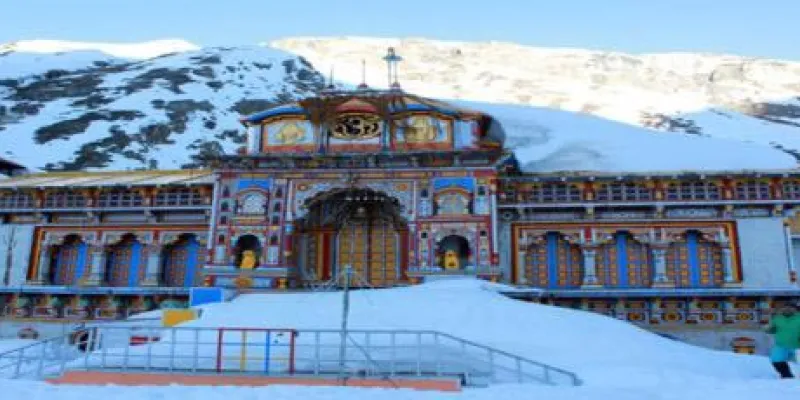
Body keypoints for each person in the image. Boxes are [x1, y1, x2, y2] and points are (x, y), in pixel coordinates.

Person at [765, 303, 800, 378]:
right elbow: (772, 330)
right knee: (776, 360)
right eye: (785, 308)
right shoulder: (777, 319)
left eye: (790, 308)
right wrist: (768, 329)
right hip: (781, 345)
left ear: (795, 309)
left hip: (797, 346)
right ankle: (787, 376)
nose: (787, 309)